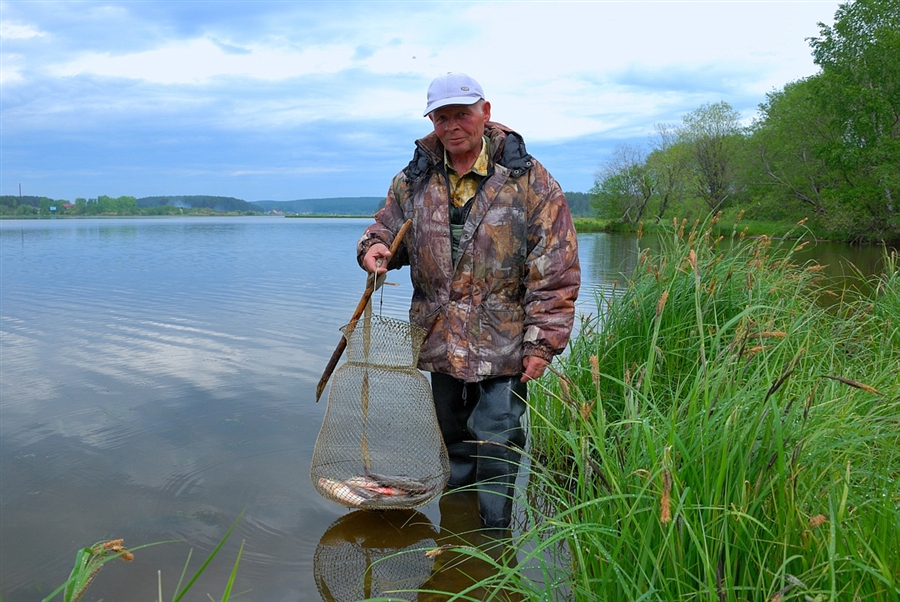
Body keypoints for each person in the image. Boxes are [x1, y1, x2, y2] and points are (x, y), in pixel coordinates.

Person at [357, 72, 580, 529]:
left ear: (486, 113)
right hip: (439, 338)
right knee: (453, 443)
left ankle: (495, 539)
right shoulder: (413, 180)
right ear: (432, 120)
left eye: (462, 114)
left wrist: (542, 345)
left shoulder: (530, 180)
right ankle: (459, 539)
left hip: (504, 344)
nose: (452, 125)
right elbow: (387, 228)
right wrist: (374, 248)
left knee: (497, 443)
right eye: (442, 117)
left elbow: (556, 269)